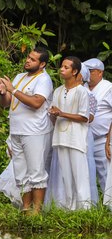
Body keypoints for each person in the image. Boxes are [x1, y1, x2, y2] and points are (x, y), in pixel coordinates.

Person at [0, 47, 54, 213]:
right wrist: (3, 92)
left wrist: (12, 89)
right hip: (17, 130)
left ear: (42, 64)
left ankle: (37, 212)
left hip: (35, 131)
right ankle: (25, 209)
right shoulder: (20, 77)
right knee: (21, 173)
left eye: (33, 59)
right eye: (28, 57)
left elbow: (36, 102)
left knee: (36, 172)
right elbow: (7, 103)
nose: (28, 61)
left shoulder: (44, 79)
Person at [49, 56, 91, 210]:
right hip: (60, 137)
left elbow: (84, 117)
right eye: (62, 66)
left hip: (76, 138)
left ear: (75, 72)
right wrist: (53, 114)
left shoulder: (82, 92)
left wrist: (61, 113)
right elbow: (55, 113)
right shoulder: (58, 90)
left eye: (66, 67)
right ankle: (70, 208)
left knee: (79, 176)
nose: (61, 69)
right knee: (66, 176)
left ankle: (85, 209)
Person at [85, 58, 112, 193]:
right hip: (83, 138)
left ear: (100, 72)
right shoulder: (82, 87)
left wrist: (109, 141)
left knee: (105, 174)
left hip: (102, 138)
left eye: (90, 71)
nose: (86, 73)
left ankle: (109, 208)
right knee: (85, 175)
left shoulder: (108, 87)